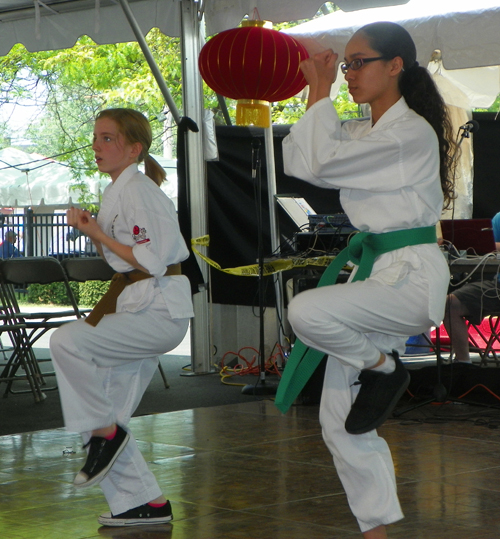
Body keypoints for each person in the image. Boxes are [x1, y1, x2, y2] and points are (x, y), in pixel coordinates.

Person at [277, 22, 455, 539]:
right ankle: (376, 530)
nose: (348, 72)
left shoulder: (408, 132)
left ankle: (383, 368)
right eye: (346, 63)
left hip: (410, 277)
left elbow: (320, 163)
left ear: (395, 65)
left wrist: (318, 88)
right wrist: (319, 93)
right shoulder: (367, 130)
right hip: (379, 275)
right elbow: (300, 160)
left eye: (359, 62)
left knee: (307, 310)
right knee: (341, 422)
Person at [50, 108, 194, 527]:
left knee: (67, 343)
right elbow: (120, 259)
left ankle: (106, 435)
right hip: (137, 305)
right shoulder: (120, 190)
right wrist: (94, 230)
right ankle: (144, 503)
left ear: (134, 149)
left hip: (159, 309)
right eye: (96, 136)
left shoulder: (141, 191)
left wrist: (95, 233)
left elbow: (152, 261)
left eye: (108, 138)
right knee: (102, 413)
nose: (97, 145)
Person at [443, 211, 500, 363]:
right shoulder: (499, 219)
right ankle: (463, 364)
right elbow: (489, 247)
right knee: (450, 304)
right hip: (497, 286)